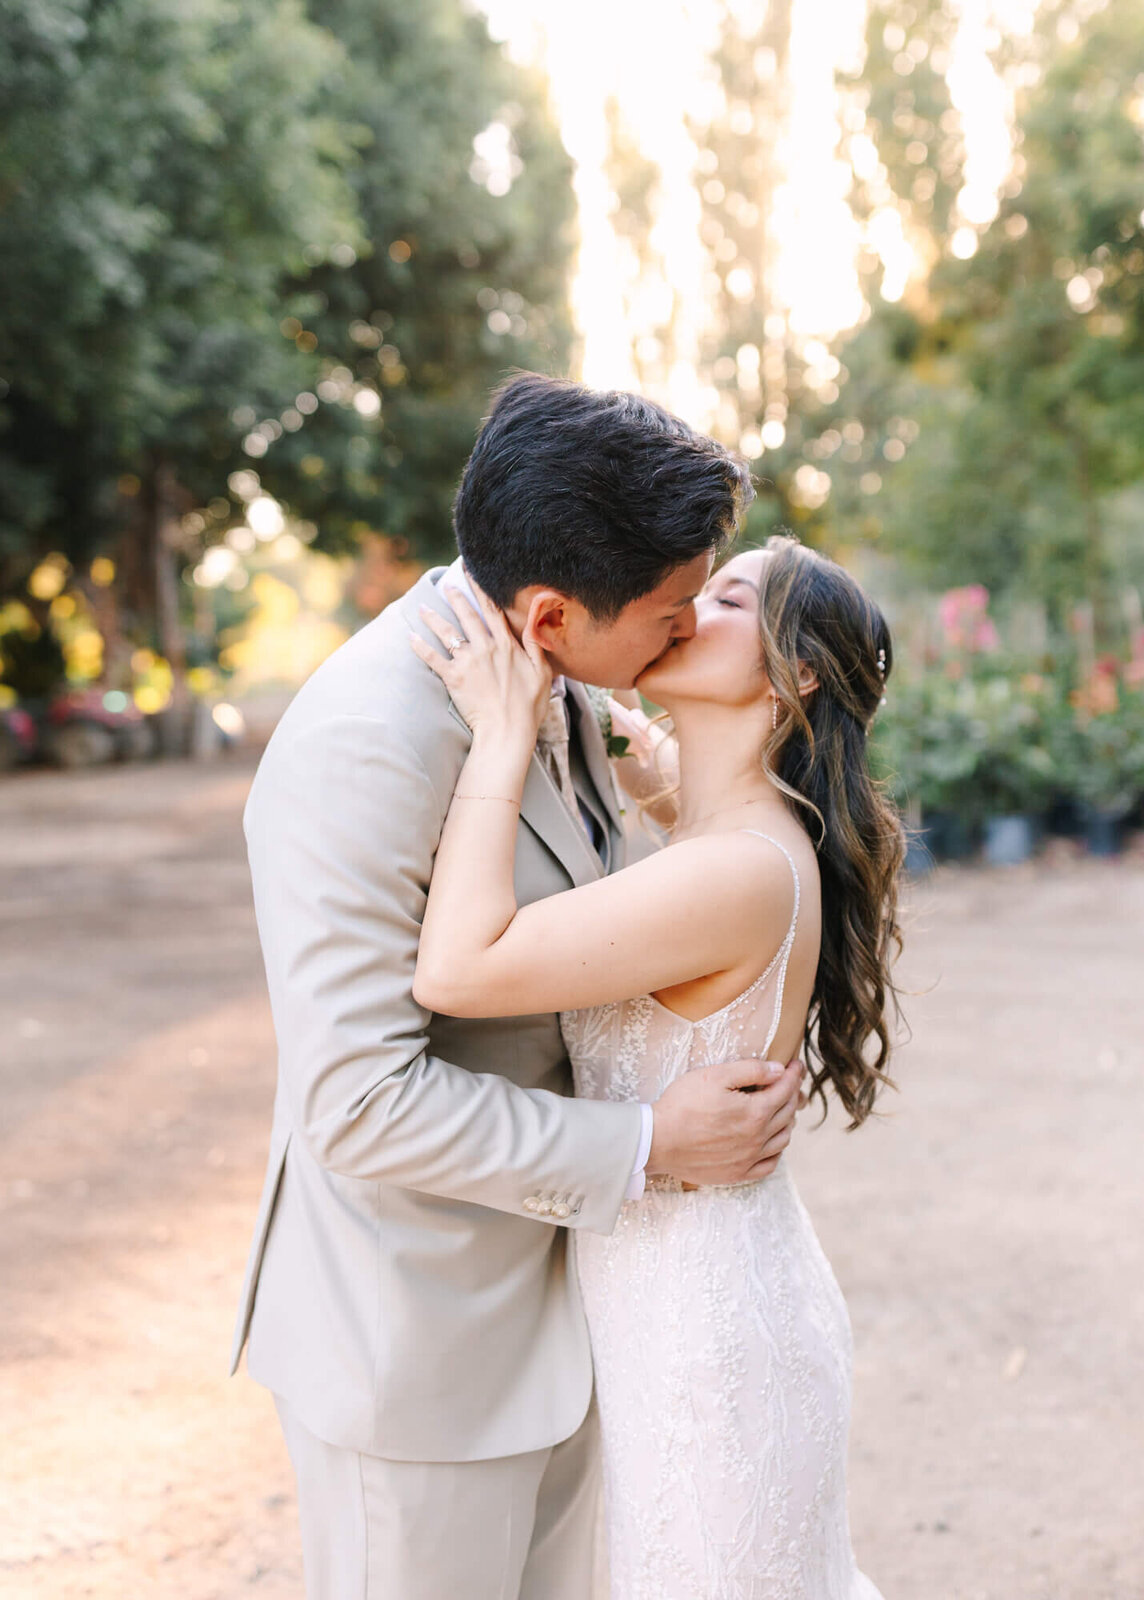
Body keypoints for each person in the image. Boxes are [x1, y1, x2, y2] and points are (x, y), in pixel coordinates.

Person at [230, 373, 807, 1600]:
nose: (687, 627)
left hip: (571, 1313)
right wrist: (649, 1141)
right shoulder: (369, 744)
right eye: (666, 609)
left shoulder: (563, 680)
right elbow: (357, 1101)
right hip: (421, 1348)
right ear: (550, 616)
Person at [411, 533, 904, 1599]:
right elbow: (671, 781)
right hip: (685, 1309)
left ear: (796, 670)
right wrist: (588, 710)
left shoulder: (735, 870)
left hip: (711, 1344)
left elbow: (456, 967)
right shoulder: (733, 822)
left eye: (724, 598)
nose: (681, 609)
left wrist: (502, 736)